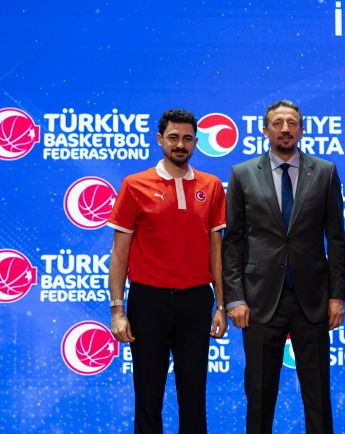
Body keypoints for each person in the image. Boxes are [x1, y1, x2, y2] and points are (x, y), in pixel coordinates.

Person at [222, 100, 345, 434]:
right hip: (259, 300)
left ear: (302, 130)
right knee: (260, 394)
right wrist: (235, 298)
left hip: (313, 298)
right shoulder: (243, 173)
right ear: (265, 130)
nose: (285, 129)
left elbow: (336, 239)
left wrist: (337, 296)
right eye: (277, 123)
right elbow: (232, 241)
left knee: (317, 394)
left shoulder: (324, 172)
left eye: (292, 123)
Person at [107, 108, 228, 434]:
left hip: (196, 301)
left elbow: (216, 250)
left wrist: (221, 304)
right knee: (148, 396)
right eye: (173, 137)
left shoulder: (212, 186)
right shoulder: (134, 185)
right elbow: (119, 254)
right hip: (149, 302)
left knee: (194, 397)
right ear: (160, 139)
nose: (180, 145)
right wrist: (117, 310)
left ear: (196, 143)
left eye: (187, 138)